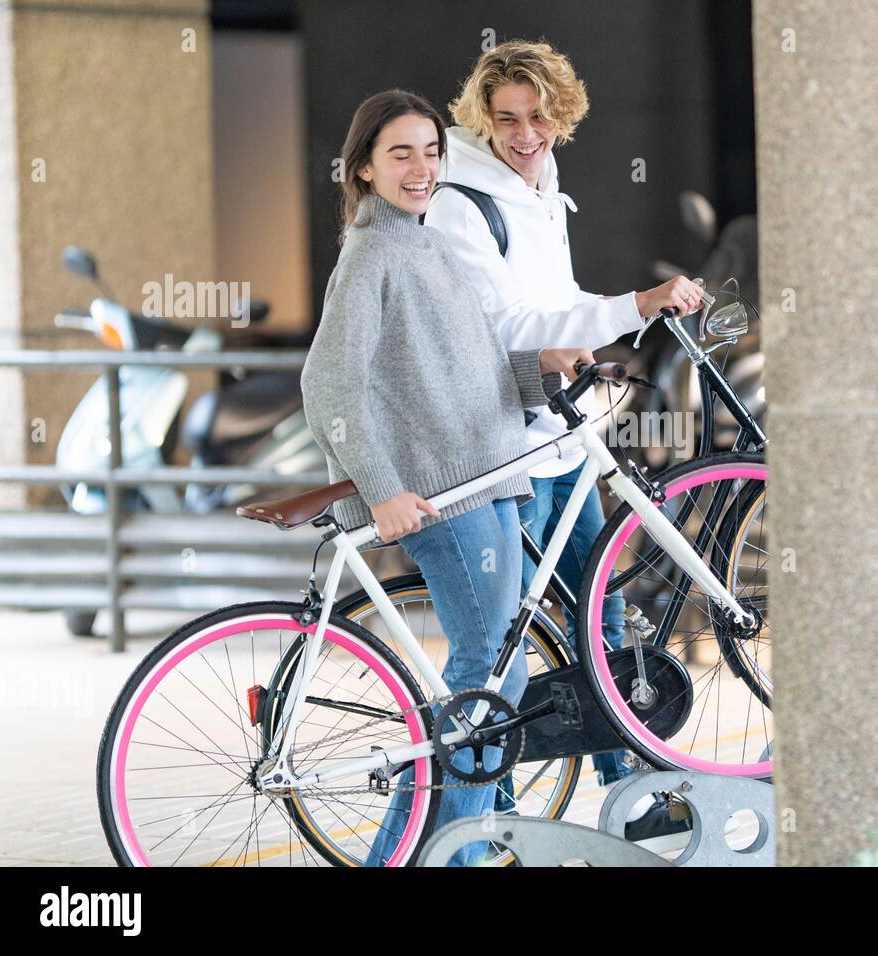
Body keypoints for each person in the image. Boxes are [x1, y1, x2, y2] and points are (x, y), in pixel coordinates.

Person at [299, 88, 592, 866]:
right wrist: (381, 487)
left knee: (500, 671)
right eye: (400, 154)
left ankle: (455, 848)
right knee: (481, 679)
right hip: (443, 497)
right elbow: (328, 389)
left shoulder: (424, 243)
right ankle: (420, 857)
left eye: (431, 151)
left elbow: (467, 369)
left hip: (486, 480)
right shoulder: (372, 257)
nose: (422, 168)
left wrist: (539, 370)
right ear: (362, 169)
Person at [426, 38, 704, 839]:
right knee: (501, 648)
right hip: (501, 448)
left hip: (560, 439)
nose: (523, 134)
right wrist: (633, 305)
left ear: (562, 116)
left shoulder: (543, 189)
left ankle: (634, 803)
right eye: (506, 118)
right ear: (481, 117)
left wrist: (612, 319)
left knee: (603, 619)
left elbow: (559, 300)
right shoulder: (460, 200)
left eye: (539, 118)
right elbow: (510, 326)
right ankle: (489, 821)